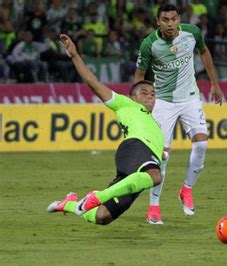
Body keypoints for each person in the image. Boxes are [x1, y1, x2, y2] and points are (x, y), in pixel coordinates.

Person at [47, 34, 164, 225]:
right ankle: (96, 196)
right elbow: (94, 84)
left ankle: (68, 204)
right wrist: (75, 56)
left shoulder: (154, 121)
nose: (150, 96)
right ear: (132, 97)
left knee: (102, 216)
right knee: (155, 176)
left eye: (153, 94)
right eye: (144, 93)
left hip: (139, 165)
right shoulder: (126, 104)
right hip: (136, 149)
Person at [134, 3, 223, 225]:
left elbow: (204, 52)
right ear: (158, 21)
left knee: (201, 144)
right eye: (165, 20)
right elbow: (139, 73)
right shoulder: (149, 44)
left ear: (179, 19)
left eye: (173, 19)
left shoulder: (191, 33)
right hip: (163, 101)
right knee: (162, 156)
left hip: (190, 97)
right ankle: (154, 208)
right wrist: (139, 103)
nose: (170, 24)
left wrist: (214, 83)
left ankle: (187, 189)